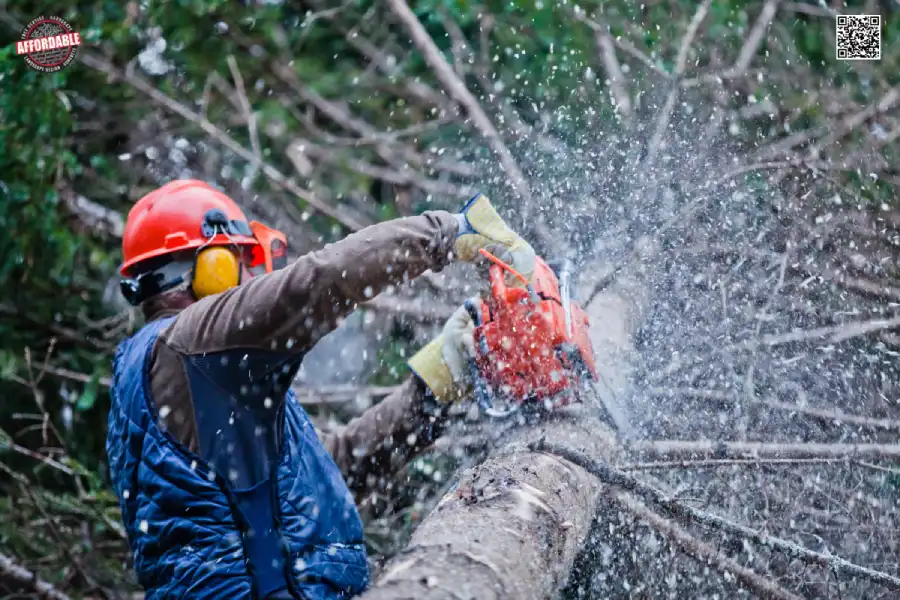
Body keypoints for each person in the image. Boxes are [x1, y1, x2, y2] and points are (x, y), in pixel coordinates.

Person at [105, 179, 535, 600]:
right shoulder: (192, 344)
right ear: (209, 267)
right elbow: (317, 282)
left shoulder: (192, 374)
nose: (249, 276)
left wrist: (434, 384)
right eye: (238, 260)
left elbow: (330, 474)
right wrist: (450, 232)